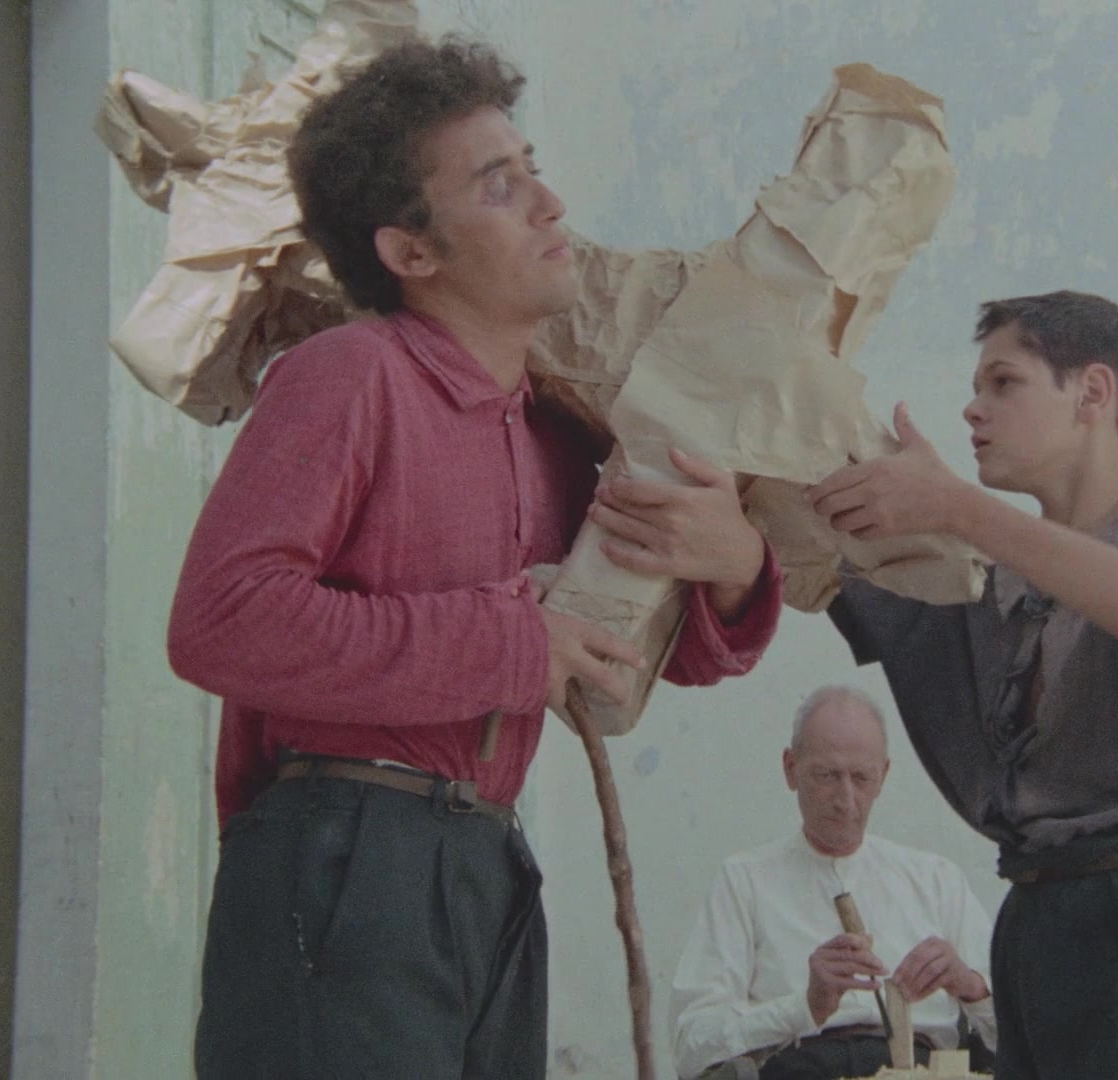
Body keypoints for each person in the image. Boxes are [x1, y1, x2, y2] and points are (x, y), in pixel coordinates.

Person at [168, 37, 782, 1079]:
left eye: (531, 166)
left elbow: (643, 652)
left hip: (486, 858)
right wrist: (512, 644)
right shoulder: (348, 375)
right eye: (499, 186)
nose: (550, 203)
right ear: (411, 252)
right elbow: (221, 621)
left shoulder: (555, 432)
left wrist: (733, 562)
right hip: (344, 851)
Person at [806, 291, 1118, 1079]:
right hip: (1036, 923)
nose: (973, 409)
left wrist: (959, 507)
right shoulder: (973, 576)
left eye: (1004, 382)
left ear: (1092, 393)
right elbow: (811, 568)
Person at [671, 686, 997, 1080]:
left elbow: (1028, 1037)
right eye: (827, 775)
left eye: (861, 778)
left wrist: (970, 985)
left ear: (883, 776)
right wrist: (803, 1007)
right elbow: (691, 1045)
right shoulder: (744, 880)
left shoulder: (936, 879)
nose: (845, 800)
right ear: (791, 768)